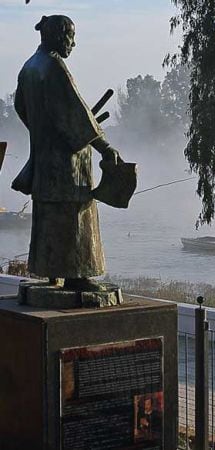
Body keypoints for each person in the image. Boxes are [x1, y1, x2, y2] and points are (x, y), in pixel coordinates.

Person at [13, 15, 121, 291]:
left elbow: (20, 107)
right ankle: (76, 275)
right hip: (67, 166)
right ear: (58, 36)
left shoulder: (28, 68)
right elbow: (77, 116)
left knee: (49, 216)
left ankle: (51, 271)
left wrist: (41, 131)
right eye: (71, 36)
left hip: (44, 160)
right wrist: (105, 149)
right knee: (75, 215)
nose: (74, 42)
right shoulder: (54, 68)